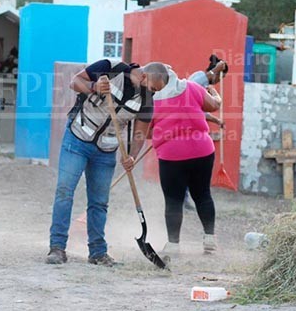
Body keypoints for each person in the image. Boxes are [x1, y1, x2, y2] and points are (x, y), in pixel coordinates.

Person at [46, 60, 169, 267]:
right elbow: (74, 81)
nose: (154, 94)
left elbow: (140, 131)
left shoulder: (146, 100)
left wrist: (131, 156)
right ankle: (57, 248)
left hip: (106, 151)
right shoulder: (111, 68)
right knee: (65, 192)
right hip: (77, 139)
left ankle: (97, 252)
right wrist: (93, 87)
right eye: (154, 89)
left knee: (99, 202)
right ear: (145, 77)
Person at [151, 68, 223, 259]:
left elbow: (145, 126)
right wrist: (216, 95)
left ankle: (173, 245)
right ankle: (210, 239)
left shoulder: (151, 99)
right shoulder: (191, 87)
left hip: (171, 155)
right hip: (202, 150)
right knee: (203, 195)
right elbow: (213, 105)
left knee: (173, 200)